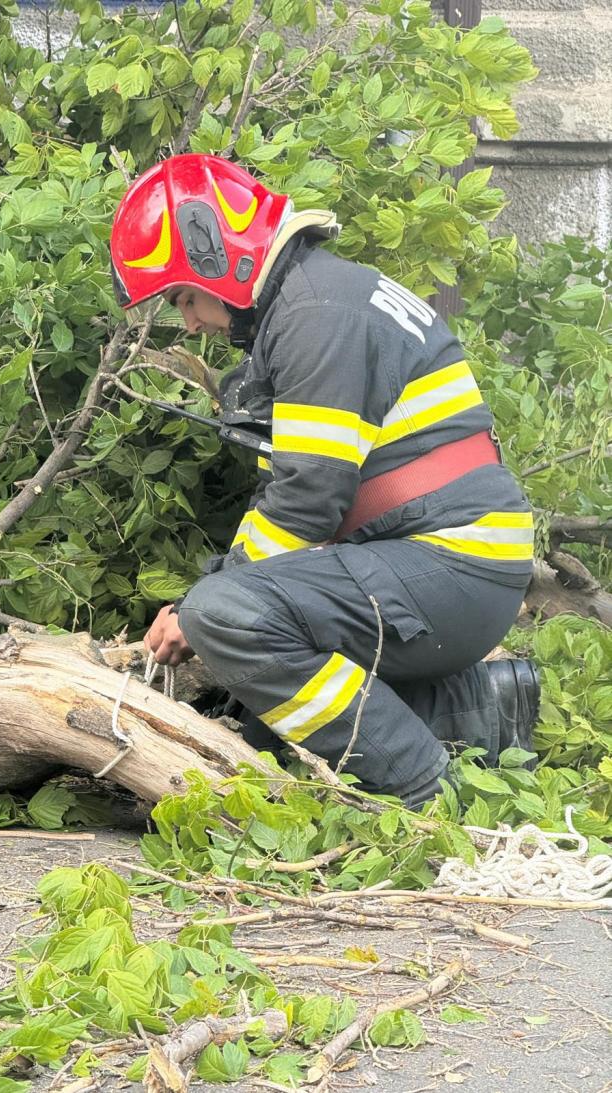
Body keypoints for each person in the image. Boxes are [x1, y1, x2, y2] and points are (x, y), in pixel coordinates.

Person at [109, 153, 539, 807]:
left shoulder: (317, 317)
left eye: (183, 298)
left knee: (226, 619)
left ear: (214, 253)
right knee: (266, 720)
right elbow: (293, 500)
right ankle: (477, 709)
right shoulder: (316, 298)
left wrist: (202, 610)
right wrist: (219, 590)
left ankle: (421, 785)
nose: (190, 321)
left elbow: (306, 501)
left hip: (454, 564)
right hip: (453, 560)